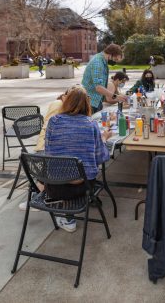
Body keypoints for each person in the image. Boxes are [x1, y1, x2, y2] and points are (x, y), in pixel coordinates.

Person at [45, 86, 112, 232]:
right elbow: (102, 157)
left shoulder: (53, 121)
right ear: (86, 104)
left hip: (54, 186)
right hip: (82, 188)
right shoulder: (90, 124)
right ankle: (68, 217)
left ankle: (67, 216)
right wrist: (104, 139)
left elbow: (49, 152)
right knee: (85, 170)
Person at [81, 44, 128, 113]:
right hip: (90, 102)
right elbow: (99, 88)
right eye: (115, 59)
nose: (114, 62)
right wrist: (116, 97)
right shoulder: (98, 63)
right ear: (111, 54)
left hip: (96, 101)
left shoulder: (103, 62)